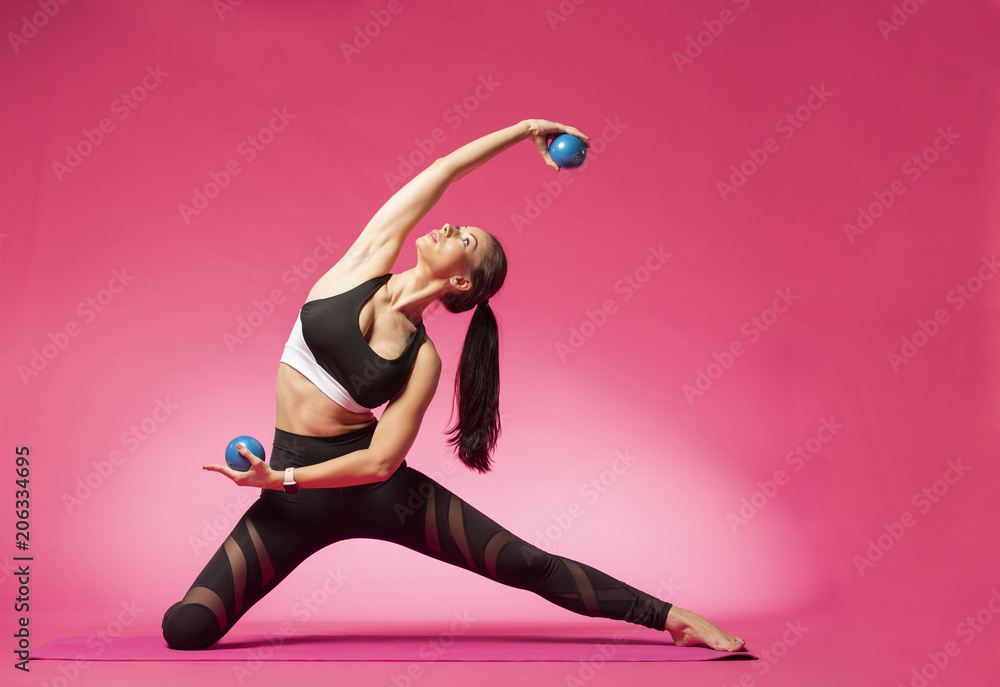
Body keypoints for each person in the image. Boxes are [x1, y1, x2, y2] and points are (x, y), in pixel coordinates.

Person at [161, 119, 746, 653]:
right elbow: (441, 174)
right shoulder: (361, 266)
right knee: (186, 629)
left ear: (461, 279)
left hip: (367, 490)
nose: (445, 225)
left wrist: (279, 479)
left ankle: (671, 617)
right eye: (456, 224)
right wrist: (524, 131)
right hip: (291, 500)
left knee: (522, 562)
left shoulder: (423, 360)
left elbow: (379, 464)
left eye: (461, 237)